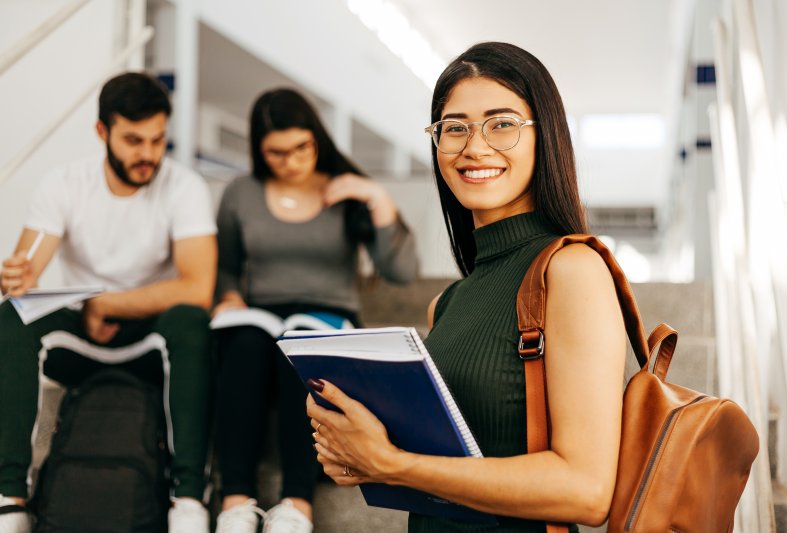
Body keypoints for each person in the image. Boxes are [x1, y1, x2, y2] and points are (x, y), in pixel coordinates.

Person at [306, 42, 628, 532]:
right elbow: (452, 471)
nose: (474, 147)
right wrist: (359, 454)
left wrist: (392, 463)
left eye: (502, 124)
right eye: (454, 128)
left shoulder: (572, 270)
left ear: (546, 136)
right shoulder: (449, 303)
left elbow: (585, 491)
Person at [0, 72, 217, 533]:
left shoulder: (184, 187)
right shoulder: (63, 184)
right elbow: (27, 272)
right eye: (134, 140)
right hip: (80, 340)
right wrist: (16, 277)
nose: (148, 155)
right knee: (11, 317)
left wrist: (109, 304)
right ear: (102, 133)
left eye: (158, 140)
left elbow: (198, 287)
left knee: (193, 322)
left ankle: (189, 500)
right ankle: (10, 499)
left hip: (152, 341)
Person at [211, 88, 418, 533]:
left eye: (301, 147)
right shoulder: (241, 193)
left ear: (317, 139)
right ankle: (235, 500)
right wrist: (228, 297)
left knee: (299, 346)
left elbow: (402, 272)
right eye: (277, 152)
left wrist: (376, 198)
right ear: (259, 150)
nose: (291, 160)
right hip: (260, 318)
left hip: (327, 317)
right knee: (245, 344)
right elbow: (227, 267)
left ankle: (297, 504)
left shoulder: (344, 189)